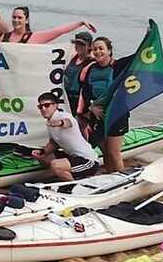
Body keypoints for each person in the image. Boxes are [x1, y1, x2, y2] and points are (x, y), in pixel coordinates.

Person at [77, 36, 133, 173]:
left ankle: (122, 180)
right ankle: (110, 175)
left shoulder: (119, 66)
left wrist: (149, 35)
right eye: (95, 49)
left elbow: (140, 55)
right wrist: (91, 107)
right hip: (98, 116)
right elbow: (85, 92)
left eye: (101, 48)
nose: (98, 51)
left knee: (114, 152)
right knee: (105, 152)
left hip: (117, 115)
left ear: (109, 50)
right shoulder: (89, 70)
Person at [31, 91, 99, 181]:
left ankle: (73, 187)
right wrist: (42, 152)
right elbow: (53, 143)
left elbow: (68, 123)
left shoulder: (63, 116)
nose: (43, 109)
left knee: (56, 165)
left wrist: (59, 123)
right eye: (40, 107)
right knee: (44, 158)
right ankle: (67, 176)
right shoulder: (49, 123)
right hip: (72, 157)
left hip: (88, 161)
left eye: (47, 105)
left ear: (55, 105)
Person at [1, 6, 96, 44]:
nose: (16, 20)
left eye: (19, 18)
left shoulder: (34, 38)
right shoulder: (5, 37)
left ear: (26, 20)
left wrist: (80, 23)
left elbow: (59, 31)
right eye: (14, 17)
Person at [64, 31, 95, 115]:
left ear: (89, 46)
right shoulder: (72, 58)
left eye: (82, 44)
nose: (79, 47)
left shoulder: (92, 63)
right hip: (66, 98)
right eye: (77, 44)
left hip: (79, 101)